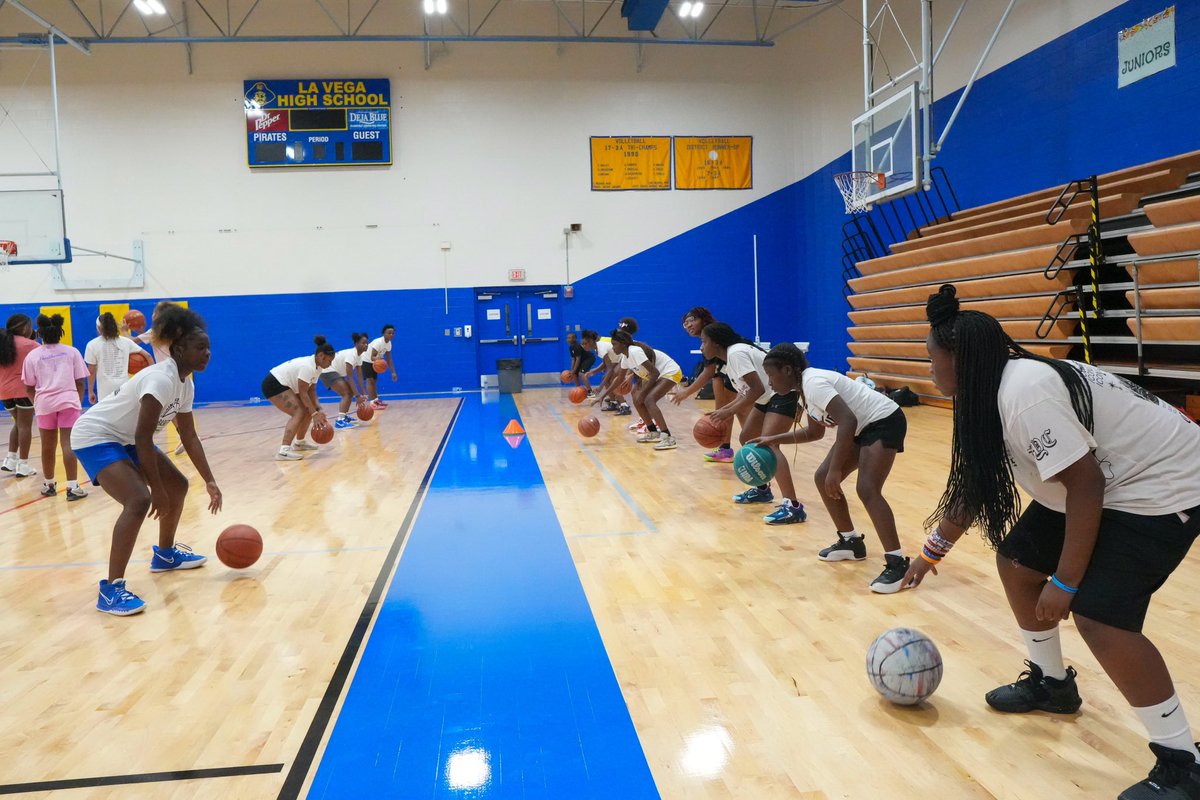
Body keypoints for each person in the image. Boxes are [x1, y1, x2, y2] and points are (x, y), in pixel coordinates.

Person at [903, 284, 1200, 799]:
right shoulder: (988, 391)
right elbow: (975, 485)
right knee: (1017, 563)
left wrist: (1065, 581)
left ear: (961, 359)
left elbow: (1087, 484)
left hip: (1164, 484)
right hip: (1110, 480)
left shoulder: (1023, 395)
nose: (928, 369)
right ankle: (1052, 685)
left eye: (932, 358)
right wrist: (931, 552)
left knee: (1100, 616)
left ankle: (1184, 764)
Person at [72, 305, 220, 616]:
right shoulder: (161, 379)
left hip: (124, 438)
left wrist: (210, 480)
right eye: (199, 347)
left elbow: (189, 436)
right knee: (139, 500)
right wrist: (156, 489)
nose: (207, 353)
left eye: (208, 347)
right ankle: (111, 590)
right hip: (95, 435)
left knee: (178, 485)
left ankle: (165, 555)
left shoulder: (186, 382)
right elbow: (143, 438)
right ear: (178, 349)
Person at [752, 342, 908, 589]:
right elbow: (815, 433)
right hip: (861, 427)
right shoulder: (804, 392)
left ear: (788, 370)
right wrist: (773, 438)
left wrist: (836, 470)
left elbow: (847, 420)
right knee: (821, 476)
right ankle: (851, 542)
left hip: (884, 420)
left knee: (867, 489)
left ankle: (898, 563)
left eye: (771, 375)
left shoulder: (813, 382)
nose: (769, 382)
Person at [700, 324, 807, 526]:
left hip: (785, 394)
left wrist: (729, 411)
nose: (702, 347)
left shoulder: (736, 354)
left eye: (704, 342)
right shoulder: (730, 358)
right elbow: (746, 391)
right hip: (768, 397)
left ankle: (793, 507)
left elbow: (756, 388)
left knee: (769, 444)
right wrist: (724, 409)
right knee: (747, 438)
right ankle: (762, 489)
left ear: (716, 342)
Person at [21, 314, 89, 500]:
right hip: (68, 401)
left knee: (47, 446)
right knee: (68, 444)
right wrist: (78, 401)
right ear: (60, 332)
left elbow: (28, 387)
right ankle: (73, 487)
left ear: (40, 333)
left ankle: (49, 484)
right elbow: (80, 382)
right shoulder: (72, 352)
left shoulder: (33, 355)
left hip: (44, 403)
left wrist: (37, 403)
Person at [670, 308, 741, 463]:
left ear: (703, 318)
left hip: (742, 374)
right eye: (685, 324)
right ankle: (725, 449)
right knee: (722, 412)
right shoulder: (706, 342)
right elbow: (712, 373)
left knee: (737, 414)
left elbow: (708, 373)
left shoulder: (715, 333)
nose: (688, 325)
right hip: (725, 374)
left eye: (691, 320)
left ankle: (751, 451)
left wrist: (686, 392)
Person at [594, 328, 683, 450]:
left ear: (623, 344)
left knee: (649, 400)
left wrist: (644, 392)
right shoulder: (625, 357)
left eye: (614, 344)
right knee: (636, 397)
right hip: (657, 374)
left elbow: (655, 373)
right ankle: (653, 432)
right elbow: (619, 379)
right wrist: (603, 395)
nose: (613, 348)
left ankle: (668, 437)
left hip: (670, 371)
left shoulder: (635, 351)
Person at [263, 337, 335, 460]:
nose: (330, 364)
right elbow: (303, 393)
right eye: (329, 361)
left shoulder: (318, 368)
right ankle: (283, 451)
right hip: (274, 384)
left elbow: (311, 390)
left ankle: (299, 443)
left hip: (285, 385)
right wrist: (314, 414)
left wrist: (318, 409)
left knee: (307, 410)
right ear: (320, 356)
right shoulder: (307, 366)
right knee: (299, 412)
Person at [0, 314, 39, 478]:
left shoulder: (2, 342)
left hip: (4, 391)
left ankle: (10, 459)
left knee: (18, 424)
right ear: (25, 328)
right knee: (24, 426)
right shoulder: (31, 345)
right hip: (23, 390)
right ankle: (23, 464)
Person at [84, 312, 143, 403]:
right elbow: (148, 356)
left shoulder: (92, 345)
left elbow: (91, 371)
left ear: (99, 328)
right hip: (125, 389)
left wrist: (90, 392)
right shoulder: (126, 341)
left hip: (105, 393)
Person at [321, 332, 369, 429]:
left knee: (349, 392)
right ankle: (340, 421)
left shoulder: (359, 356)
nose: (366, 345)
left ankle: (344, 417)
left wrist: (363, 395)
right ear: (356, 344)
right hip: (327, 371)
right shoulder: (352, 354)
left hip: (336, 372)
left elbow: (359, 376)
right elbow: (350, 377)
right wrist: (357, 396)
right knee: (347, 393)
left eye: (367, 343)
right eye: (363, 343)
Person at [364, 324, 396, 410]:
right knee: (370, 380)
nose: (391, 335)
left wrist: (393, 372)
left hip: (373, 362)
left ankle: (376, 400)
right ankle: (372, 403)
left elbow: (389, 359)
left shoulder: (389, 344)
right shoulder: (378, 342)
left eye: (393, 333)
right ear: (383, 333)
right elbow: (372, 357)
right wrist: (378, 358)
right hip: (365, 360)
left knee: (374, 381)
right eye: (389, 333)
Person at [567, 332, 595, 396]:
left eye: (569, 338)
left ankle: (590, 392)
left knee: (581, 374)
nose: (568, 339)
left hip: (589, 359)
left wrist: (573, 371)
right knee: (574, 374)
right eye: (567, 338)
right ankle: (578, 390)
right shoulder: (571, 347)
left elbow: (578, 359)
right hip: (582, 360)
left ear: (574, 339)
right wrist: (572, 371)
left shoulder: (576, 346)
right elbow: (573, 359)